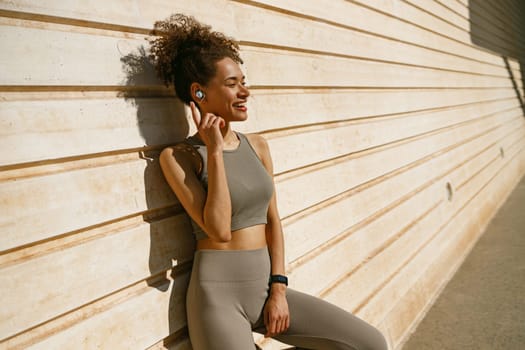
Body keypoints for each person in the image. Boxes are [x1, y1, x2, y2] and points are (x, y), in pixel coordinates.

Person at [149, 14, 389, 350]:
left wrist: (278, 289)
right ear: (199, 92)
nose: (244, 91)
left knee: (369, 343)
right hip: (216, 297)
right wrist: (214, 154)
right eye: (232, 83)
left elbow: (273, 221)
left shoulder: (258, 146)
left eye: (243, 81)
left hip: (265, 287)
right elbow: (217, 229)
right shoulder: (177, 157)